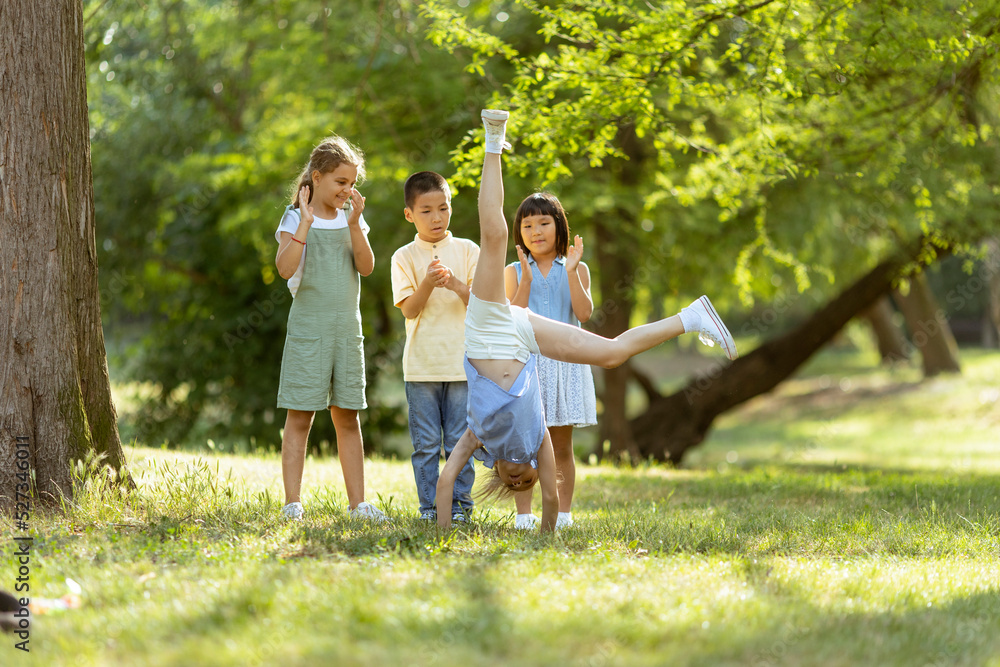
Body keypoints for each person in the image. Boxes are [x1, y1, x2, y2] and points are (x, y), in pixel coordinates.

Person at [435, 109, 738, 532]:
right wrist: (547, 529)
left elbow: (446, 480)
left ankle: (492, 141)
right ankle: (691, 317)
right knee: (612, 354)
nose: (520, 474)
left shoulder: (478, 437)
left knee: (494, 237)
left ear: (497, 473)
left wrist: (444, 536)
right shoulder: (537, 436)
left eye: (513, 478)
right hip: (523, 336)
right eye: (527, 479)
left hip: (488, 328)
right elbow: (552, 497)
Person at [274, 135, 386, 522]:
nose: (347, 190)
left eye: (352, 184)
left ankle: (358, 504)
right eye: (341, 182)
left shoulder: (351, 218)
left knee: (348, 415)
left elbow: (367, 267)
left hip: (345, 331)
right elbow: (285, 268)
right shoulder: (294, 218)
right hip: (309, 329)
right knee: (300, 415)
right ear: (317, 178)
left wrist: (355, 225)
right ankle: (292, 503)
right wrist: (304, 223)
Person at [391, 171, 480, 523]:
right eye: (426, 210)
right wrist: (427, 283)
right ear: (409, 214)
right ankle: (429, 508)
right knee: (426, 445)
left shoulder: (468, 250)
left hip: (462, 365)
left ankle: (460, 508)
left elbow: (482, 305)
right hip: (421, 367)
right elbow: (410, 310)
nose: (437, 217)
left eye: (443, 208)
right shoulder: (403, 256)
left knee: (461, 443)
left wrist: (455, 284)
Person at [505, 192, 597, 530]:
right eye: (527, 225)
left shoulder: (577, 267)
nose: (535, 231)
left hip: (565, 366)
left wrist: (572, 272)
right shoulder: (513, 271)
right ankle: (524, 515)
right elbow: (512, 318)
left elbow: (584, 313)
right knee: (523, 444)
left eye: (544, 222)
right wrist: (526, 280)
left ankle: (562, 515)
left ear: (559, 227)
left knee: (560, 445)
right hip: (527, 366)